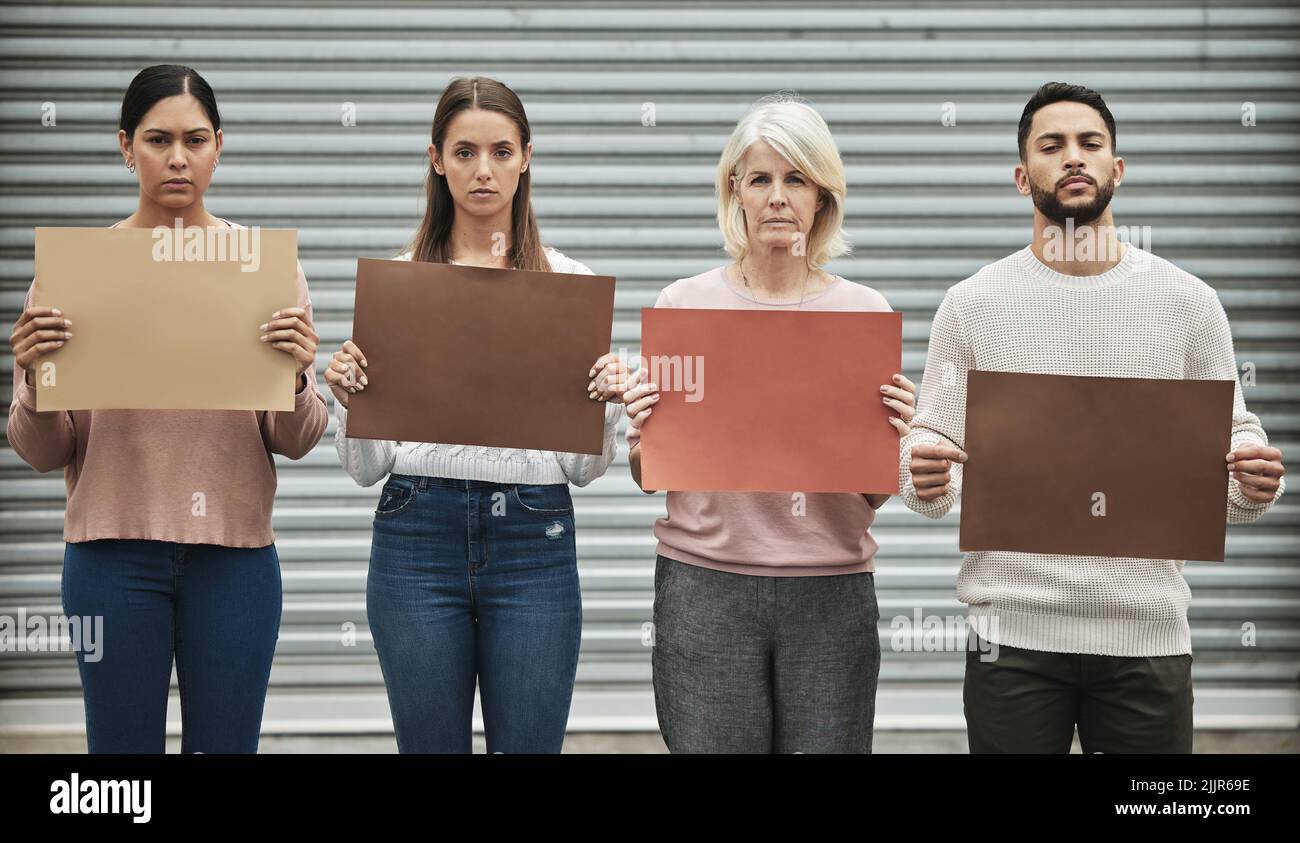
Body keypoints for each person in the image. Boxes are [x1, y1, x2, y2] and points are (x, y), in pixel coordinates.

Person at [902, 81, 1287, 753]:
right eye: (1052, 146)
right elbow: (928, 456)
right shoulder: (971, 305)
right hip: (1012, 640)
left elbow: (1233, 454)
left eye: (1091, 143)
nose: (1073, 157)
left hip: (1147, 638)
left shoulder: (1189, 303)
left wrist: (1258, 478)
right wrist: (923, 473)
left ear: (1118, 167)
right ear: (1024, 177)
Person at [6, 64, 328, 753]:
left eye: (195, 138)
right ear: (126, 146)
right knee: (121, 767)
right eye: (157, 139)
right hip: (109, 560)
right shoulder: (75, 274)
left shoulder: (264, 271)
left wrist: (301, 376)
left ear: (219, 145)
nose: (178, 157)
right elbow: (42, 450)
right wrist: (33, 377)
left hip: (235, 563)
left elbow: (297, 439)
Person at [325, 77, 629, 754]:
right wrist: (348, 399)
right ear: (436, 159)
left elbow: (583, 469)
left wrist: (605, 405)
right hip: (415, 537)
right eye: (464, 152)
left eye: (500, 151)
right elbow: (364, 467)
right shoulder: (398, 284)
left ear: (527, 157)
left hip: (534, 540)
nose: (482, 170)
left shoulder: (568, 286)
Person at [625, 95, 916, 753]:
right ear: (736, 191)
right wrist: (642, 432)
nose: (778, 197)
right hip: (704, 588)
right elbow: (649, 474)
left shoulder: (863, 314)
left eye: (796, 179)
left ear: (822, 197)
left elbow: (874, 493)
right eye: (760, 179)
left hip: (831, 593)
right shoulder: (684, 305)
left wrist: (893, 441)